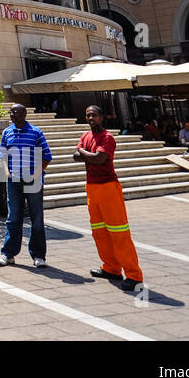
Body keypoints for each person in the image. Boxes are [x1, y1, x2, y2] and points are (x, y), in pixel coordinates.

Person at [73, 105, 144, 292]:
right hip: (92, 188)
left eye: (94, 115)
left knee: (119, 233)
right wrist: (90, 155)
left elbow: (99, 159)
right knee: (99, 232)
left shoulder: (107, 137)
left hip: (108, 188)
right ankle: (111, 268)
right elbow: (76, 156)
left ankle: (134, 275)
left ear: (101, 117)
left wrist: (85, 154)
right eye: (88, 115)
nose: (90, 118)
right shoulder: (86, 136)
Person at [0, 104, 53, 268]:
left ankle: (38, 256)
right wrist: (7, 171)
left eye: (15, 112)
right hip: (13, 180)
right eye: (11, 112)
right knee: (13, 217)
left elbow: (47, 156)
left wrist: (36, 174)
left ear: (24, 114)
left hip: (33, 181)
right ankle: (8, 254)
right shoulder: (6, 132)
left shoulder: (36, 132)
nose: (12, 115)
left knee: (36, 219)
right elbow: (3, 155)